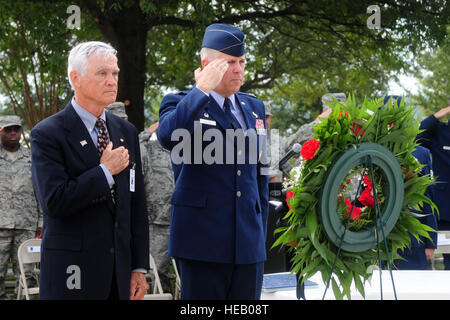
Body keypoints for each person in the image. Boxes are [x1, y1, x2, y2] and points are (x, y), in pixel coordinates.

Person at [30, 41, 149, 299]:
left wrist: (138, 267)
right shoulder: (47, 134)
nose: (112, 81)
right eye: (102, 73)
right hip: (72, 277)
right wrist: (105, 172)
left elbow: (136, 203)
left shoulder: (125, 131)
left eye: (115, 73)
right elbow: (55, 201)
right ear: (76, 78)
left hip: (119, 277)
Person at [157, 23, 269, 299]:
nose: (238, 69)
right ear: (206, 64)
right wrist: (201, 90)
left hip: (248, 244)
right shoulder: (181, 102)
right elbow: (168, 136)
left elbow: (261, 175)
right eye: (229, 62)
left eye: (242, 62)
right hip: (201, 244)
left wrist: (259, 235)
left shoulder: (254, 107)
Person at [0, 115, 42, 299]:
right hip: (0, 225)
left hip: (27, 226)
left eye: (16, 129)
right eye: (8, 129)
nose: (12, 133)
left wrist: (41, 222)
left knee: (28, 275)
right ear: (0, 131)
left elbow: (40, 190)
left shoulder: (33, 157)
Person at [139, 122, 174, 294]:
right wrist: (147, 132)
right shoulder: (148, 147)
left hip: (184, 218)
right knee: (157, 271)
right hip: (158, 220)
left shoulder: (188, 148)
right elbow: (133, 148)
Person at [416, 103, 450, 269]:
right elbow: (418, 135)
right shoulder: (441, 131)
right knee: (446, 253)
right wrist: (441, 113)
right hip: (444, 207)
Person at [395, 145, 438, 269]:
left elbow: (428, 198)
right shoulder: (378, 147)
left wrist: (430, 242)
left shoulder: (421, 153)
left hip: (413, 236)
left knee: (415, 285)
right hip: (383, 237)